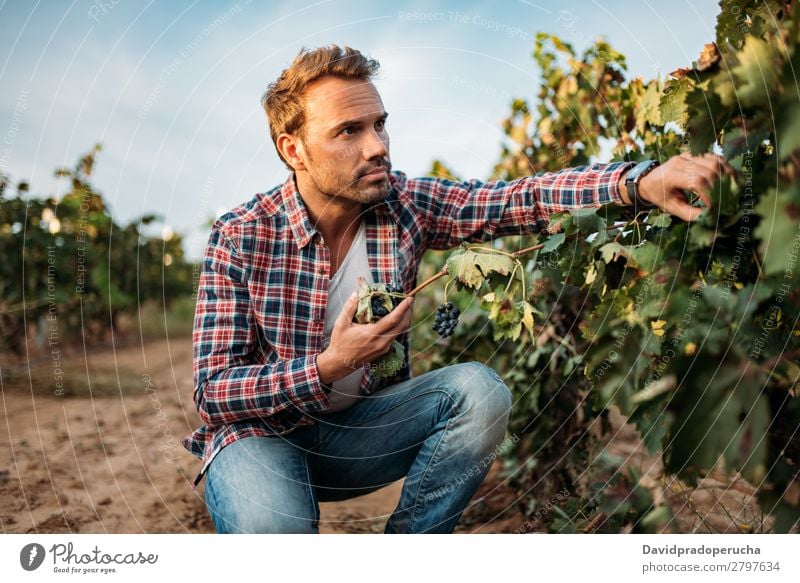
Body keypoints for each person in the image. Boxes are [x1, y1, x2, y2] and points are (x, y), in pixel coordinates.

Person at [181, 44, 732, 534]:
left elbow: (520, 199)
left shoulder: (404, 206)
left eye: (379, 124)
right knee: (273, 535)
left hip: (358, 439)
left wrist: (637, 183)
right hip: (260, 441)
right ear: (294, 150)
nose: (377, 146)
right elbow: (214, 391)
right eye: (349, 131)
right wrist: (328, 365)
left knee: (480, 392)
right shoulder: (243, 234)